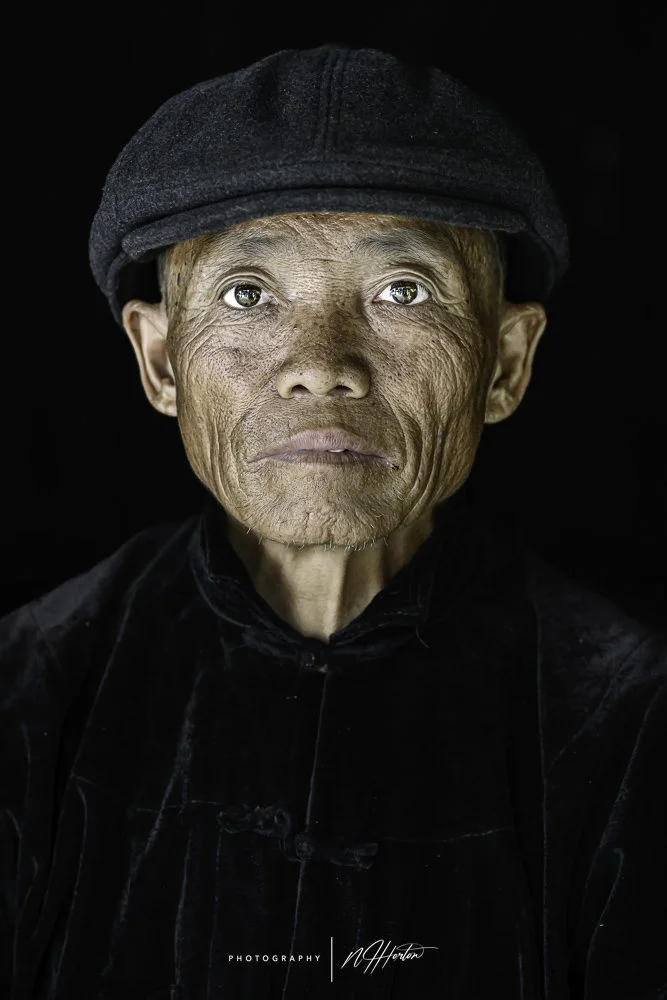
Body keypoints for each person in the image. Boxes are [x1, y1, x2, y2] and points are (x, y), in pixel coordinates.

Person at [1, 44, 665, 1000]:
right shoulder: (29, 697)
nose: (322, 364)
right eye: (247, 295)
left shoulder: (629, 723)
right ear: (159, 362)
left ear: (504, 364)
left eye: (404, 290)